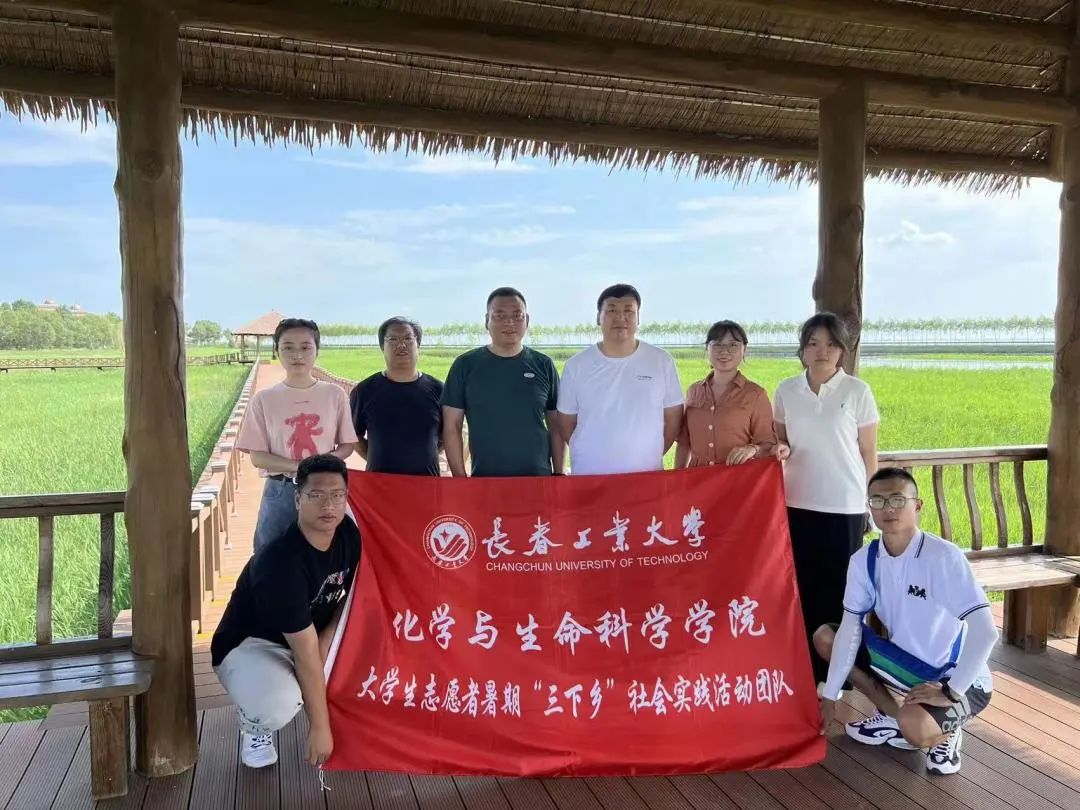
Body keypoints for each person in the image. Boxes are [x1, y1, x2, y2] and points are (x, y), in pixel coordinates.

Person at [816, 468, 996, 775]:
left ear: (917, 505)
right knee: (826, 637)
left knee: (916, 727)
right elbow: (850, 628)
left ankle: (947, 733)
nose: (888, 509)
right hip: (906, 664)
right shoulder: (864, 561)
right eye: (878, 500)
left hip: (958, 677)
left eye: (898, 499)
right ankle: (893, 717)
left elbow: (986, 632)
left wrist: (951, 691)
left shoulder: (942, 557)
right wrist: (830, 695)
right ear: (869, 508)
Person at [211, 454, 361, 770]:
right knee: (277, 703)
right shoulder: (280, 563)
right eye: (316, 495)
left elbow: (354, 596)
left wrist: (328, 638)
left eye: (337, 495)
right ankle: (255, 722)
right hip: (253, 645)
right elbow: (306, 652)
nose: (328, 505)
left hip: (310, 634)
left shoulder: (348, 534)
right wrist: (319, 728)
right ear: (297, 499)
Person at [772, 312, 879, 684]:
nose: (822, 351)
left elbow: (868, 453)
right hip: (797, 503)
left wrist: (871, 503)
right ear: (802, 349)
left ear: (842, 351)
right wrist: (781, 449)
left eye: (831, 344)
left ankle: (840, 674)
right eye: (814, 343)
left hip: (844, 505)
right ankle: (805, 670)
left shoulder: (857, 392)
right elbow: (782, 440)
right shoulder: (787, 390)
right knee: (801, 586)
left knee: (841, 590)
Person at [237, 318, 356, 552]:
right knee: (270, 556)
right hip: (281, 490)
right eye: (288, 347)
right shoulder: (264, 399)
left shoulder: (335, 394)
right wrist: (301, 467)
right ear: (277, 351)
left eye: (305, 347)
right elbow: (258, 457)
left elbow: (347, 445)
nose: (297, 355)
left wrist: (320, 467)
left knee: (333, 554)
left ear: (317, 350)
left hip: (325, 490)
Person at [557, 283, 683, 475]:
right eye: (611, 310)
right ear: (598, 317)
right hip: (589, 476)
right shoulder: (576, 366)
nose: (620, 317)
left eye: (628, 311)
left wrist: (646, 456)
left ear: (638, 318)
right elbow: (566, 423)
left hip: (645, 475)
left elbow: (673, 421)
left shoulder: (661, 361)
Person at [441, 287, 564, 476]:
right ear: (487, 321)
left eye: (517, 315)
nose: (509, 322)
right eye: (499, 315)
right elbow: (452, 426)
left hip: (538, 478)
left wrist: (559, 473)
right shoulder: (465, 365)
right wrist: (459, 477)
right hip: (486, 478)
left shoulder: (543, 365)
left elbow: (556, 425)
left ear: (527, 320)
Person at [674, 320, 784, 468]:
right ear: (707, 349)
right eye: (717, 344)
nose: (724, 351)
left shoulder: (755, 394)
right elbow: (684, 443)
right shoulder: (694, 391)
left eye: (733, 345)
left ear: (744, 349)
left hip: (736, 478)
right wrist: (677, 477)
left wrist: (752, 449)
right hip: (697, 478)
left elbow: (768, 444)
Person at [349, 316, 444, 476]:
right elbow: (353, 435)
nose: (401, 345)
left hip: (427, 483)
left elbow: (447, 434)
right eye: (392, 339)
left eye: (408, 338)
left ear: (418, 344)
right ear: (382, 346)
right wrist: (375, 458)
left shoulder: (439, 390)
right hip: (379, 483)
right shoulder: (364, 391)